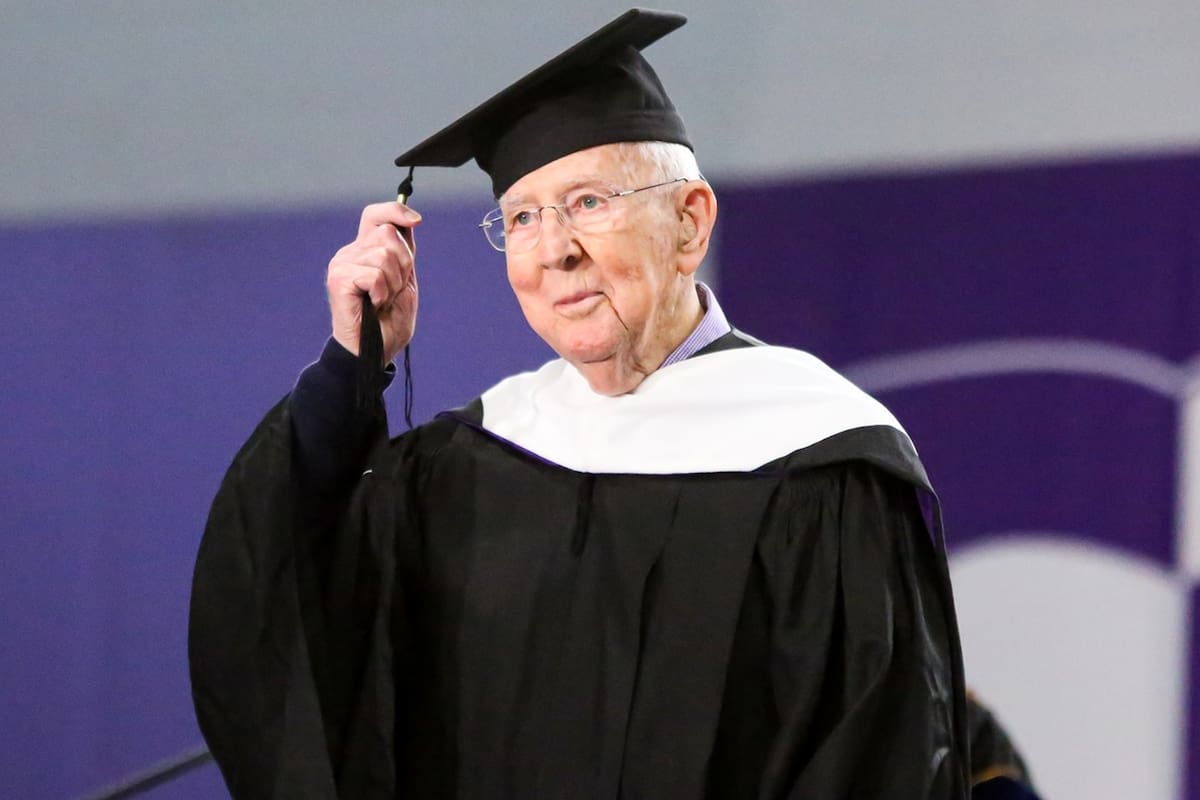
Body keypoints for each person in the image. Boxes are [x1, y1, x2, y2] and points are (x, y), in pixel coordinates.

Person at [189, 9, 970, 798]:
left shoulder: (819, 465)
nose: (555, 247)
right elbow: (289, 605)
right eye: (523, 217)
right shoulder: (471, 467)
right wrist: (351, 367)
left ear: (689, 223)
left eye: (590, 202)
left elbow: (879, 762)